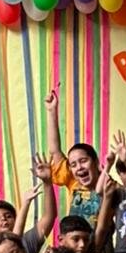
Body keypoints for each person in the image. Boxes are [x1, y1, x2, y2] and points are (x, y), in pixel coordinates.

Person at [45, 85, 102, 222]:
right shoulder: (73, 182)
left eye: (83, 161)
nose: (79, 167)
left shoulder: (109, 186)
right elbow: (55, 150)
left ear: (95, 161)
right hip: (73, 235)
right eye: (74, 164)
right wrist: (51, 111)